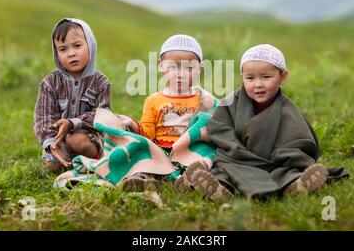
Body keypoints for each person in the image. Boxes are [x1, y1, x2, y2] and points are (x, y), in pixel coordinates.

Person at [188, 44, 349, 201]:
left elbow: (300, 140)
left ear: (283, 77)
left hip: (273, 162)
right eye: (250, 78)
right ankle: (219, 188)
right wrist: (234, 148)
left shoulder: (287, 110)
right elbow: (218, 126)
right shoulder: (231, 102)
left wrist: (280, 155)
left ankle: (296, 185)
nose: (258, 84)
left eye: (266, 77)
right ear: (242, 77)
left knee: (286, 172)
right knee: (223, 170)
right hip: (236, 158)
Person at [119, 34, 218, 191]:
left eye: (189, 68)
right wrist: (132, 124)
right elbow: (148, 136)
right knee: (141, 151)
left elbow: (212, 126)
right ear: (161, 65)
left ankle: (190, 177)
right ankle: (141, 178)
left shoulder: (204, 100)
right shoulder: (153, 101)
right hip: (160, 151)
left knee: (207, 152)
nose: (180, 74)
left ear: (200, 68)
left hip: (190, 150)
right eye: (173, 67)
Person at [33, 18, 111, 172]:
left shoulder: (101, 82)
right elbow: (43, 116)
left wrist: (73, 122)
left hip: (88, 138)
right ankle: (65, 160)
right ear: (56, 53)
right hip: (58, 139)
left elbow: (102, 115)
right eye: (63, 49)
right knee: (52, 164)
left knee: (77, 141)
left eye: (77, 46)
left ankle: (94, 159)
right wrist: (51, 143)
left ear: (90, 45)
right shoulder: (50, 83)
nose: (71, 53)